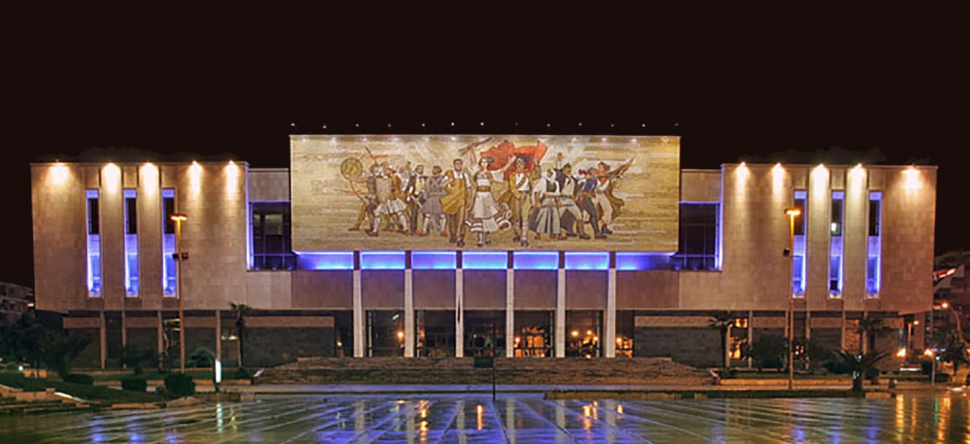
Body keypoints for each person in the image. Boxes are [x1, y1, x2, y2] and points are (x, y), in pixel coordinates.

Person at [467, 157, 509, 247]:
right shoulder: (477, 173)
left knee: (489, 215)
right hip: (479, 196)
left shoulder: (491, 174)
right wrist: (472, 152)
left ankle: (487, 237)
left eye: (485, 162)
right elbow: (473, 162)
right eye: (482, 162)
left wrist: (510, 162)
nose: (484, 164)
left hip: (488, 196)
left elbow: (501, 171)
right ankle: (480, 239)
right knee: (479, 215)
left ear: (488, 164)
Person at [441, 158, 473, 247]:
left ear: (461, 165)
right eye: (456, 164)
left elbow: (469, 188)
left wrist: (469, 198)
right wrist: (449, 181)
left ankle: (460, 237)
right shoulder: (449, 174)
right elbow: (442, 185)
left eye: (460, 164)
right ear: (454, 165)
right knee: (451, 220)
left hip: (461, 199)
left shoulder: (465, 176)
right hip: (451, 200)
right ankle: (453, 235)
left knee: (461, 219)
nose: (458, 166)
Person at [504, 156, 532, 247]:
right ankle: (518, 235)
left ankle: (524, 238)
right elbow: (512, 188)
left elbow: (537, 176)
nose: (519, 165)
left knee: (525, 217)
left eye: (521, 164)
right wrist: (519, 195)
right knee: (516, 217)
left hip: (526, 196)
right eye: (517, 164)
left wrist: (537, 165)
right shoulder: (512, 176)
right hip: (516, 197)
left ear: (524, 165)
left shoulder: (528, 174)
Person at [420, 166, 447, 236]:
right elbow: (426, 188)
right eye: (434, 169)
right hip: (431, 198)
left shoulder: (443, 178)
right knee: (428, 214)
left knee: (442, 215)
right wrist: (427, 196)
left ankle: (442, 230)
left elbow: (445, 188)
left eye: (436, 169)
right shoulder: (429, 179)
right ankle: (424, 230)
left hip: (440, 198)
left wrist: (444, 197)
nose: (434, 170)